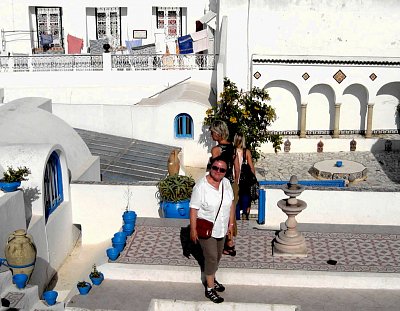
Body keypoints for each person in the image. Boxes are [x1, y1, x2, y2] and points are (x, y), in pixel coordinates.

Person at [190, 155, 235, 303]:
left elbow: (231, 204)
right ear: (211, 167)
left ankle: (212, 278)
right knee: (211, 257)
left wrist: (231, 225)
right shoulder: (201, 186)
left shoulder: (226, 183)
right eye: (215, 168)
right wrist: (193, 229)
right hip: (207, 228)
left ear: (225, 172)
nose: (218, 171)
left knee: (217, 257)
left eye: (222, 170)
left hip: (222, 227)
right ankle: (210, 289)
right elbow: (194, 209)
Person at [208, 120, 239, 256]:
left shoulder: (216, 150)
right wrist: (235, 183)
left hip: (220, 183)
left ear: (217, 133)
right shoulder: (233, 148)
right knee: (230, 212)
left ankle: (219, 241)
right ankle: (230, 242)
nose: (210, 134)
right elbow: (237, 168)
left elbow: (215, 170)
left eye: (212, 132)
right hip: (231, 183)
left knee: (219, 212)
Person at [234, 133, 255, 220]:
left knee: (236, 201)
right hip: (244, 181)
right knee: (245, 197)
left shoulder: (232, 151)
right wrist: (253, 179)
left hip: (234, 179)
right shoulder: (246, 152)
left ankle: (237, 218)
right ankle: (245, 214)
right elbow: (251, 168)